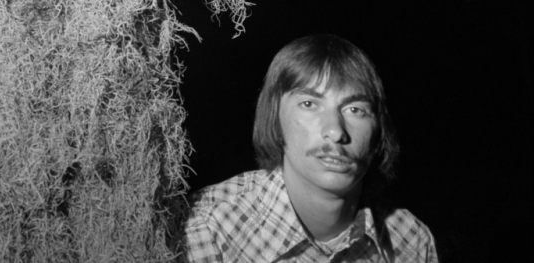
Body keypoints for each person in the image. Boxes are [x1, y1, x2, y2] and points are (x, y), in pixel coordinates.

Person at [183, 34, 437, 262]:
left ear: (378, 131)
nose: (336, 132)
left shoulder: (411, 241)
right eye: (309, 104)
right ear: (274, 118)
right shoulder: (207, 225)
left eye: (355, 110)